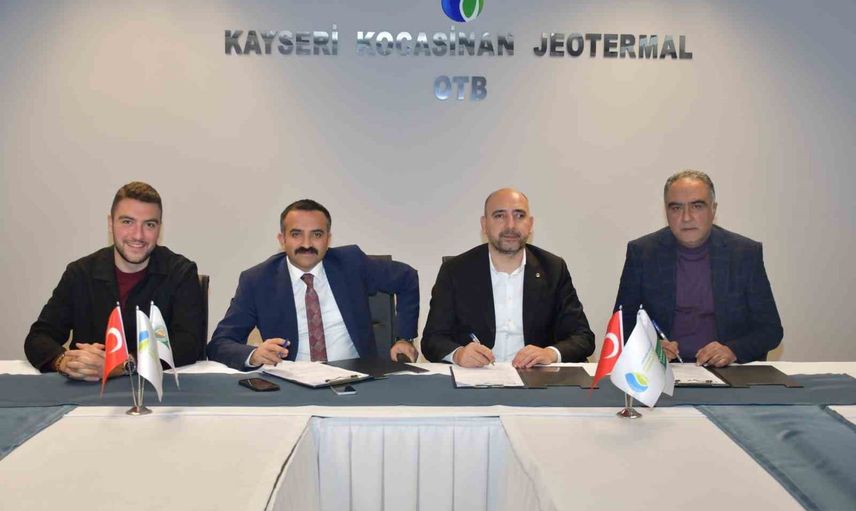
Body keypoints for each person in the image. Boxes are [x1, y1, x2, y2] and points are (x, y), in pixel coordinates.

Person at [207, 199, 419, 370]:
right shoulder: (257, 280)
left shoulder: (351, 263)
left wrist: (405, 338)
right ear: (282, 240)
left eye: (316, 235)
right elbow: (220, 343)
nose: (306, 244)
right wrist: (253, 355)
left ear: (328, 239)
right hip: (290, 383)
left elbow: (407, 278)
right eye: (296, 234)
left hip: (358, 378)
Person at [24, 182, 205, 380]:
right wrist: (65, 362)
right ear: (110, 224)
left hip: (155, 390)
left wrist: (122, 365)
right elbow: (39, 337)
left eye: (149, 225)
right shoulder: (80, 273)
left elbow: (189, 344)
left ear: (159, 229)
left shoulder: (181, 272)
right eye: (127, 222)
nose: (138, 235)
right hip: (85, 389)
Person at [614, 169, 783, 366]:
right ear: (666, 211)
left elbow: (770, 330)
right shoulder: (642, 253)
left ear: (713, 209)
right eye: (676, 208)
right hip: (663, 369)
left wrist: (733, 350)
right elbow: (621, 325)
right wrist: (648, 345)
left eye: (697, 206)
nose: (686, 217)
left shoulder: (744, 253)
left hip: (729, 370)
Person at [421, 188, 595, 368]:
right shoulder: (456, 271)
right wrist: (458, 354)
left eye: (519, 215)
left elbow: (582, 337)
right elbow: (432, 339)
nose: (510, 225)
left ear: (530, 224)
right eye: (499, 216)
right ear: (484, 224)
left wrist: (550, 353)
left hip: (535, 377)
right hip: (476, 376)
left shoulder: (553, 268)